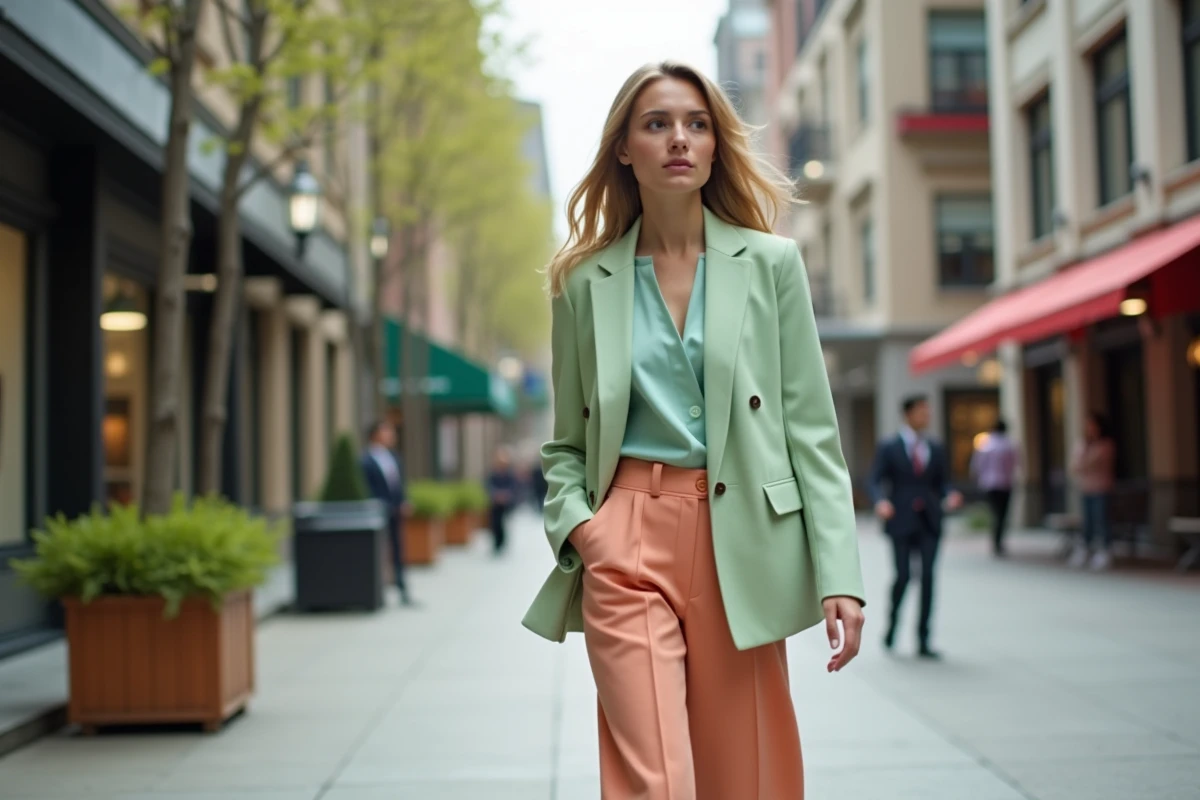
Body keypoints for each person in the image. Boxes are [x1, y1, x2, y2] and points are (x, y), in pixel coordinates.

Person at [520, 61, 866, 799]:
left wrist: (840, 573)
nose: (679, 138)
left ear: (714, 146)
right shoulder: (583, 283)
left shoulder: (772, 265)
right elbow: (565, 446)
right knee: (657, 780)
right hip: (627, 541)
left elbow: (812, 430)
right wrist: (585, 529)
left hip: (744, 537)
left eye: (696, 124)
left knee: (748, 776)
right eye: (657, 124)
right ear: (624, 148)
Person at [869, 394, 962, 659]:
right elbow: (875, 479)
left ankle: (923, 640)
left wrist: (949, 494)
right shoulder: (890, 446)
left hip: (930, 521)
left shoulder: (936, 447)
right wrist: (881, 502)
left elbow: (943, 481)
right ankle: (892, 628)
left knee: (929, 579)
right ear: (907, 414)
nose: (926, 416)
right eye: (921, 412)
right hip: (900, 520)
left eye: (927, 412)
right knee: (903, 576)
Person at [360, 421, 417, 607]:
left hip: (396, 513)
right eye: (387, 431)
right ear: (375, 434)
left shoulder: (394, 457)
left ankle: (402, 588)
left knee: (399, 549)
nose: (392, 435)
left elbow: (399, 484)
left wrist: (404, 501)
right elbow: (367, 489)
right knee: (378, 551)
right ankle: (379, 591)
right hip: (378, 514)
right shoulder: (365, 460)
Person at [1068, 411, 1116, 570]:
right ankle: (1086, 550)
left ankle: (1105, 551)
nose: (1089, 429)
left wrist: (1083, 464)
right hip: (1086, 488)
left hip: (1101, 488)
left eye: (1092, 425)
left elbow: (1088, 463)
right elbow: (1075, 466)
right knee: (1087, 522)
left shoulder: (1105, 444)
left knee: (1102, 520)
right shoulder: (1082, 444)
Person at [970, 418, 1020, 556]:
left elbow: (977, 465)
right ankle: (999, 541)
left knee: (995, 513)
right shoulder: (1009, 444)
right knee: (1002, 514)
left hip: (990, 484)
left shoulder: (986, 444)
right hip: (1005, 484)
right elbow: (1016, 463)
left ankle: (996, 541)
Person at [486, 446, 519, 554]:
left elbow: (513, 486)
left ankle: (502, 542)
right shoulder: (493, 473)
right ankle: (496, 542)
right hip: (495, 503)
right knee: (495, 523)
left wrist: (506, 495)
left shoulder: (509, 474)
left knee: (503, 522)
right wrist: (496, 494)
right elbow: (488, 486)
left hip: (506, 503)